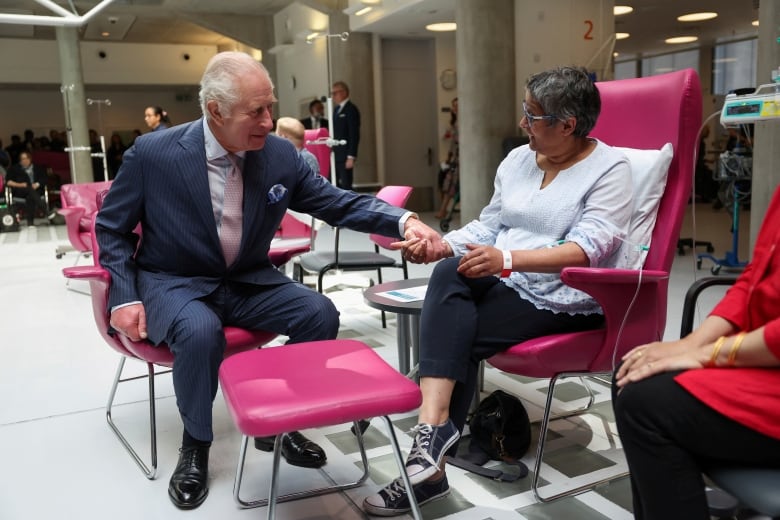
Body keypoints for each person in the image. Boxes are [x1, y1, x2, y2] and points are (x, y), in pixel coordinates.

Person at [95, 51, 441, 511]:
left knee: (318, 312)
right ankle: (195, 444)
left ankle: (280, 427)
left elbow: (334, 202)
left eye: (270, 107)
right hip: (174, 279)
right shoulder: (154, 154)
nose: (269, 120)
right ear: (215, 111)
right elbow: (111, 229)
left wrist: (402, 222)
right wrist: (123, 295)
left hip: (246, 279)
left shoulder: (279, 154)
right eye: (255, 111)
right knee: (199, 332)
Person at [362, 66, 634, 516]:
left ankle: (428, 464)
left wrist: (506, 260)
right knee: (449, 272)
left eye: (533, 116)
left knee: (456, 335)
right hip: (506, 279)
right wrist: (442, 244)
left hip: (568, 295)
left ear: (568, 125)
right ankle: (433, 436)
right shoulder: (518, 160)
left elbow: (589, 248)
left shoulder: (610, 169)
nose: (523, 124)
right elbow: (489, 225)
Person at [613, 184, 780, 520]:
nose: (527, 128)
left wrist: (710, 353)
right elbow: (754, 276)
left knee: (645, 404)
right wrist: (690, 345)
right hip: (764, 355)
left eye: (534, 124)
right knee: (634, 368)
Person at [5, 150, 55, 226]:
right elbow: (8, 182)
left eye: (26, 158)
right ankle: (47, 211)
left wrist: (37, 184)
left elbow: (44, 179)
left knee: (30, 196)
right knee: (30, 190)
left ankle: (30, 222)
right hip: (20, 191)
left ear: (30, 159)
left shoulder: (38, 168)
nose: (24, 161)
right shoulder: (14, 169)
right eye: (22, 159)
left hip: (36, 191)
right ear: (20, 160)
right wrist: (20, 184)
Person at [331, 81, 360, 190]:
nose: (333, 96)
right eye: (332, 93)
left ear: (344, 92)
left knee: (346, 185)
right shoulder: (336, 110)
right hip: (336, 154)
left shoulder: (351, 109)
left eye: (335, 93)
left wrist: (351, 156)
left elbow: (354, 134)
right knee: (334, 183)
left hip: (345, 155)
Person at [435, 97, 459, 219]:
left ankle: (444, 210)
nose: (455, 109)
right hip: (455, 158)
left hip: (460, 159)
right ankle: (443, 209)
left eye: (457, 106)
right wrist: (449, 157)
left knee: (450, 184)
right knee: (444, 180)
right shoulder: (455, 123)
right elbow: (452, 144)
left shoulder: (463, 123)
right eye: (454, 106)